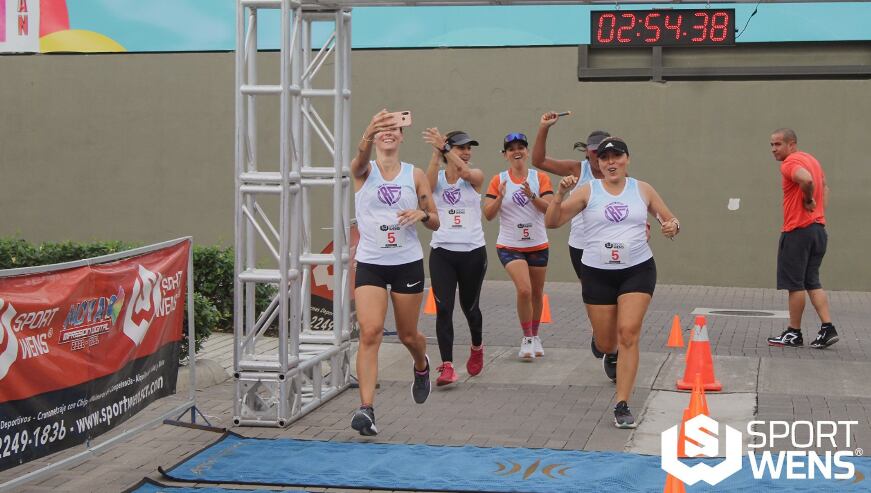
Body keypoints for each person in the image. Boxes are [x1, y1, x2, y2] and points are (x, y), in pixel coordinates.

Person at [545, 137, 679, 428]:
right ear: (598, 163)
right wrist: (558, 195)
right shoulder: (587, 191)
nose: (611, 162)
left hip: (637, 269)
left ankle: (622, 403)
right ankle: (603, 341)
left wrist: (671, 226)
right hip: (597, 272)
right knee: (608, 343)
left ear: (627, 159)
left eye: (616, 156)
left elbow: (669, 220)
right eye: (605, 158)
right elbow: (552, 222)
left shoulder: (642, 189)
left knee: (629, 332)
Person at [349, 110, 440, 436]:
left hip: (406, 262)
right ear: (375, 137)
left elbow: (435, 220)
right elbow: (358, 160)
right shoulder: (363, 171)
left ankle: (421, 364)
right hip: (371, 261)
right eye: (382, 130)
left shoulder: (414, 175)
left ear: (401, 137)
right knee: (370, 332)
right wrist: (369, 128)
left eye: (393, 130)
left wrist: (422, 213)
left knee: (407, 335)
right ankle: (366, 409)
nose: (388, 133)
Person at [532, 112, 610, 359]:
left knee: (613, 296)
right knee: (592, 293)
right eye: (595, 152)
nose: (599, 157)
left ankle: (612, 345)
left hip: (610, 246)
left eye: (604, 151)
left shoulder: (617, 173)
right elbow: (539, 160)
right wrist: (544, 127)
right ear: (588, 152)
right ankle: (600, 332)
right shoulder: (578, 170)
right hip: (581, 246)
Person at [422, 128, 488, 386]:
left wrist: (448, 151)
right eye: (462, 148)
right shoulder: (437, 178)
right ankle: (447, 366)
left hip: (472, 252)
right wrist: (436, 155)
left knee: (470, 308)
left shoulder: (475, 176)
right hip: (442, 253)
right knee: (444, 309)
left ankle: (477, 346)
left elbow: (466, 173)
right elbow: (424, 191)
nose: (467, 152)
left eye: (468, 148)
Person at [483, 133, 554, 360]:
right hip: (509, 245)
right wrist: (499, 198)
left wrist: (532, 195)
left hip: (537, 244)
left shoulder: (539, 178)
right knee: (524, 289)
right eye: (511, 148)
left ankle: (535, 335)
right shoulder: (498, 180)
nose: (516, 151)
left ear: (527, 151)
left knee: (536, 293)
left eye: (520, 147)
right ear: (505, 154)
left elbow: (549, 209)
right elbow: (488, 215)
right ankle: (527, 338)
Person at [766, 128, 838, 349]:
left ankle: (793, 333)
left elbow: (806, 181)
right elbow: (825, 187)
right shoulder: (812, 160)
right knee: (812, 281)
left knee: (794, 284)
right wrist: (818, 214)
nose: (773, 150)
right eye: (771, 145)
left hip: (798, 231)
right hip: (817, 230)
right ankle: (828, 328)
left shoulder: (790, 163)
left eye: (778, 144)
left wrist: (807, 201)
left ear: (791, 144)